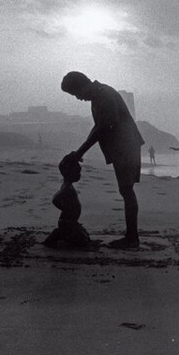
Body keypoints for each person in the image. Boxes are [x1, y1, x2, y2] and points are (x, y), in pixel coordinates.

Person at [61, 71, 144, 249]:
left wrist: (80, 152)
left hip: (126, 146)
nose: (78, 98)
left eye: (76, 94)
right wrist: (80, 152)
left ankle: (132, 238)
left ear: (82, 86)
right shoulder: (99, 94)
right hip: (123, 146)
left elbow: (105, 126)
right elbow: (99, 126)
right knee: (126, 190)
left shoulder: (102, 95)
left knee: (126, 190)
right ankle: (131, 237)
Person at [43, 155, 91, 249]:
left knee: (84, 237)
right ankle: (59, 235)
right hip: (67, 221)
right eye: (76, 172)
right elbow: (55, 199)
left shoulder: (68, 186)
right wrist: (65, 209)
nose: (79, 175)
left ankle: (63, 235)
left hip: (71, 221)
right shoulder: (67, 188)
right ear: (67, 172)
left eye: (79, 172)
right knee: (80, 239)